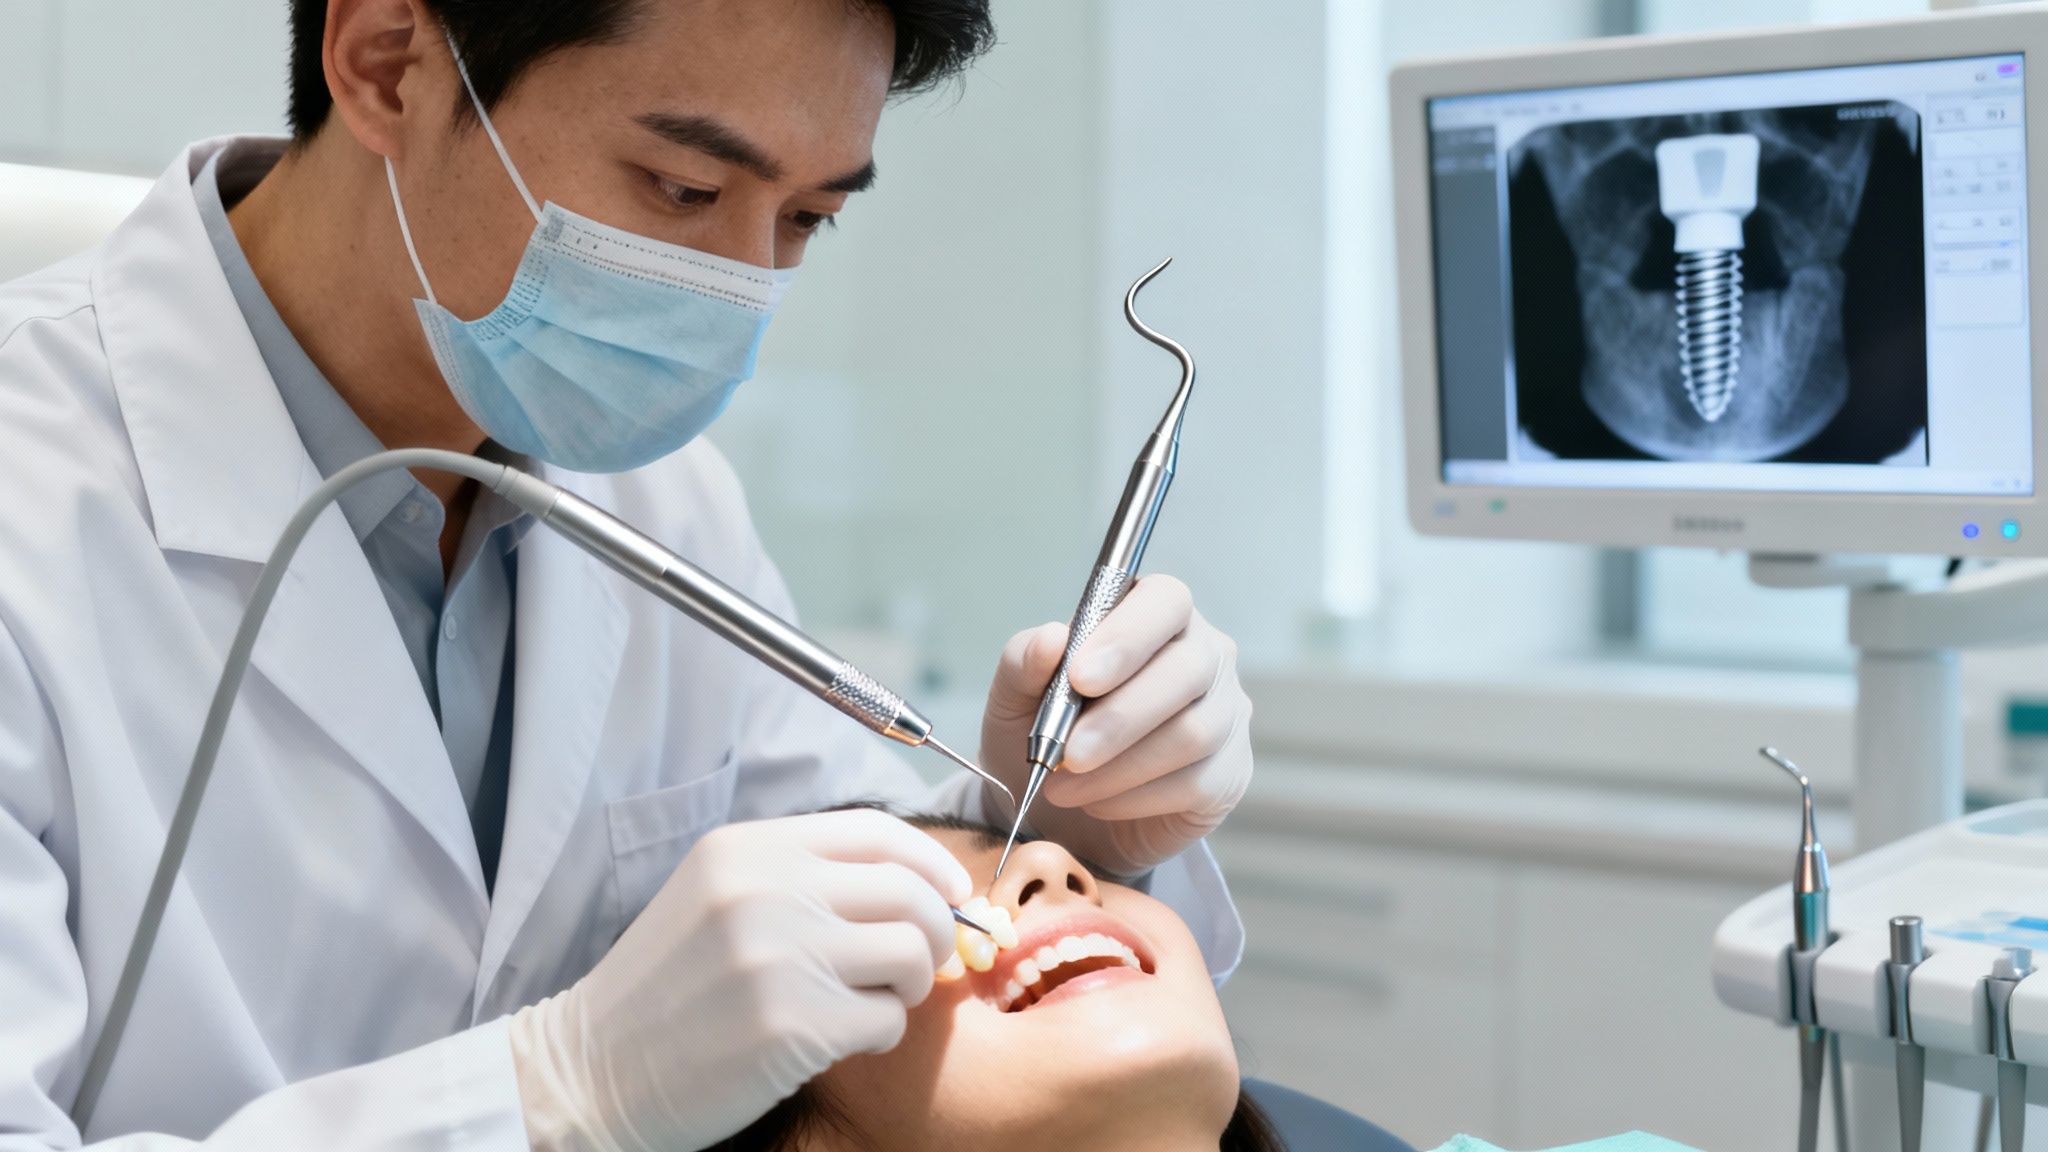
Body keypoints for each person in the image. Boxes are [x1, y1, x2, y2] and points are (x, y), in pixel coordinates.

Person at [0, 1, 1255, 1148]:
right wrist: (557, 1089)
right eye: (683, 184)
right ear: (387, 64)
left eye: (809, 219)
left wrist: (1052, 824)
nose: (742, 286)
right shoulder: (36, 501)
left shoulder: (663, 499)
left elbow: (880, 937)